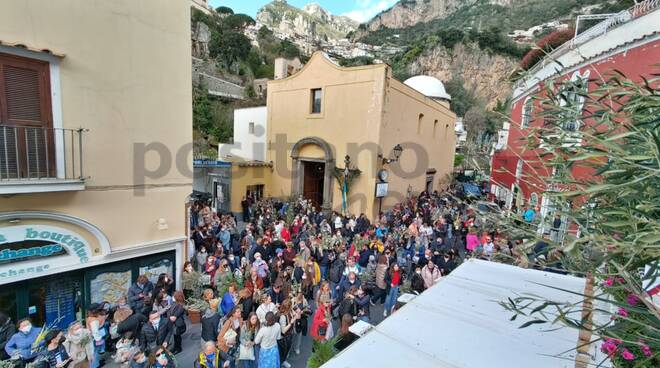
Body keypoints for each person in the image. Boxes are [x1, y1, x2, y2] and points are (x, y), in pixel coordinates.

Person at [277, 300, 300, 368]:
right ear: (288, 307)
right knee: (283, 351)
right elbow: (283, 331)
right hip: (284, 338)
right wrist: (291, 323)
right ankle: (282, 362)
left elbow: (297, 317)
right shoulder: (283, 317)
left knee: (287, 350)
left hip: (290, 334)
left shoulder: (289, 311)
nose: (292, 307)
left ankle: (284, 360)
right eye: (291, 306)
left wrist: (296, 314)